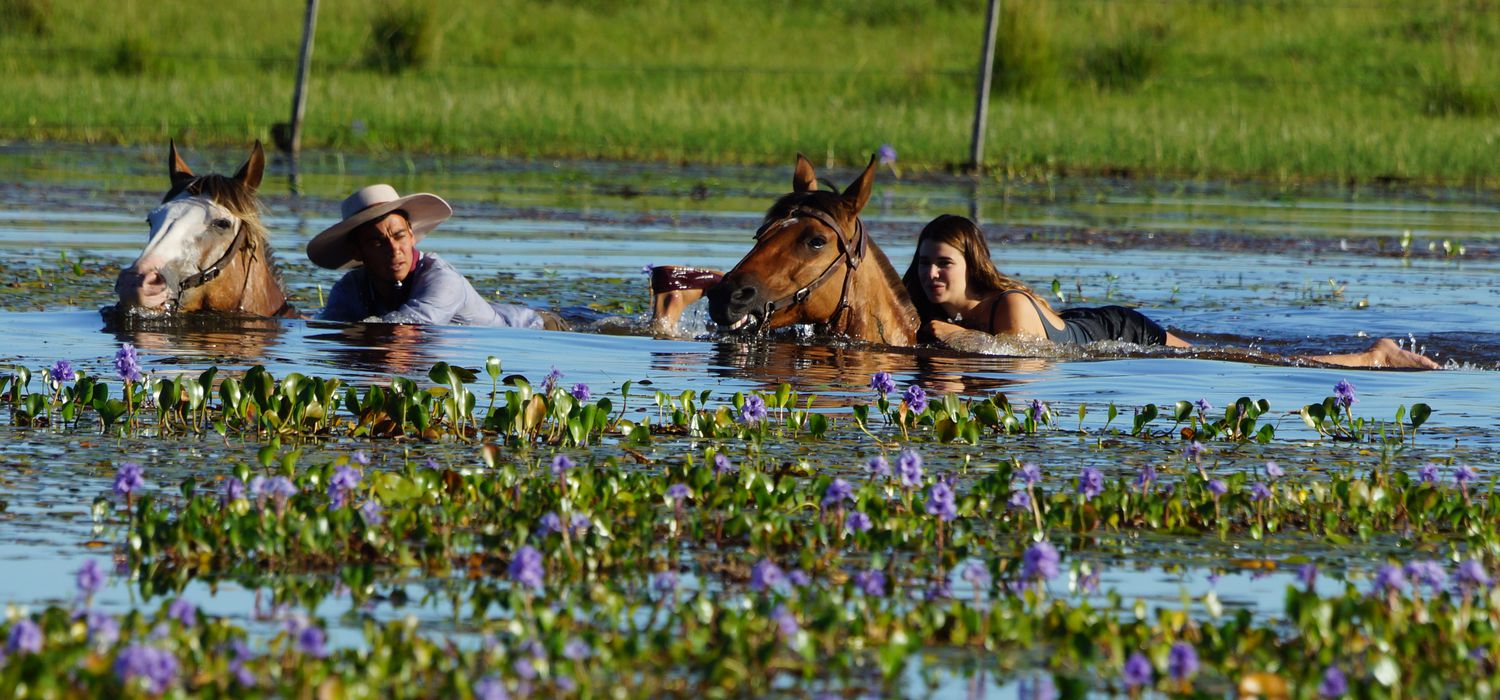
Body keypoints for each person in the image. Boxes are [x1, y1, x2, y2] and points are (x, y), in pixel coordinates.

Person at [902, 214, 1439, 369]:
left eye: (943, 263)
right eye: (924, 262)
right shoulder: (924, 305)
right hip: (1081, 322)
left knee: (1257, 363)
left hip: (1117, 330)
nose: (932, 274)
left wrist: (957, 340)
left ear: (970, 265)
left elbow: (1028, 361)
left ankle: (1374, 356)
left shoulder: (1009, 307)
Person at [308, 184, 558, 328]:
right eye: (377, 243)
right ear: (357, 252)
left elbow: (406, 329)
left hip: (530, 329)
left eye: (399, 236)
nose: (394, 250)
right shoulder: (350, 289)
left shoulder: (442, 280)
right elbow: (329, 328)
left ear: (412, 235)